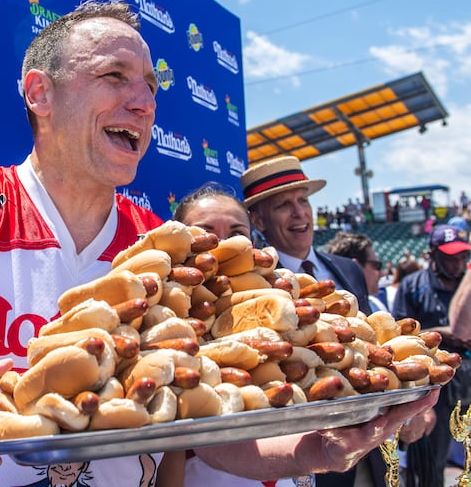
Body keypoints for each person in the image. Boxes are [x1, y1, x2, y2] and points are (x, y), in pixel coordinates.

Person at [0, 1, 436, 487]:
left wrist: (309, 447)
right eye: (113, 77)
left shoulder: (169, 251)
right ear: (39, 93)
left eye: (150, 85)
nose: (143, 101)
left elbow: (206, 424)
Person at [240, 156, 384, 487]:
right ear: (258, 221)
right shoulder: (253, 284)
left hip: (366, 455)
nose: (300, 212)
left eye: (303, 200)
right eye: (284, 205)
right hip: (302, 458)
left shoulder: (348, 270)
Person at [172, 184, 313, 487]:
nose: (224, 244)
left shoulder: (287, 308)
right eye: (206, 232)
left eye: (237, 233)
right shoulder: (169, 318)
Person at [324, 232, 438, 486]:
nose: (379, 272)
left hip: (370, 454)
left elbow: (382, 363)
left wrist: (413, 406)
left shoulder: (371, 304)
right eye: (375, 266)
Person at [392, 224, 471, 484]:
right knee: (430, 463)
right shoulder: (413, 285)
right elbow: (400, 337)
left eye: (462, 256)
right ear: (432, 254)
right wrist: (441, 333)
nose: (457, 263)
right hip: (435, 382)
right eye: (449, 257)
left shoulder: (467, 285)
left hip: (469, 371)